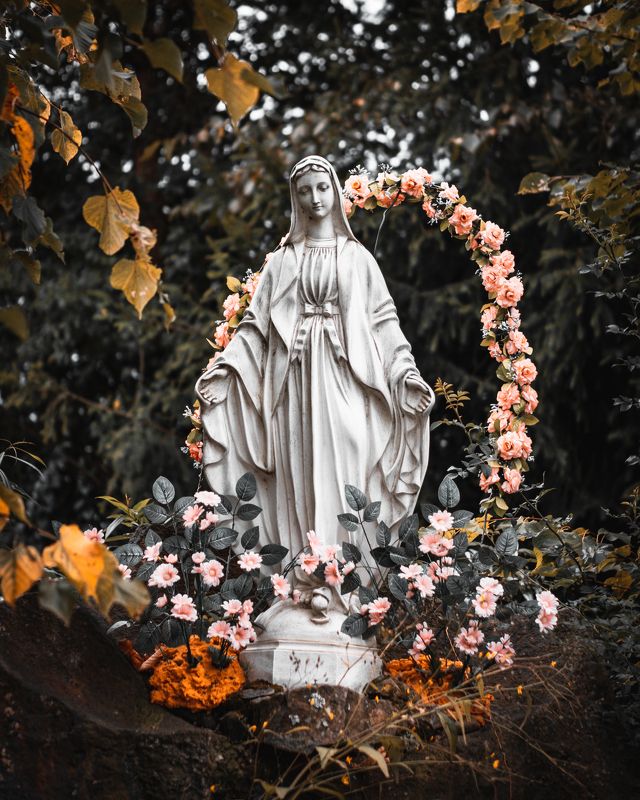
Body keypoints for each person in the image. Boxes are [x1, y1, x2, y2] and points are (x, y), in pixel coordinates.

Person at [195, 155, 434, 607]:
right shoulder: (283, 261)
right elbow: (255, 325)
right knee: (296, 474)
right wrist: (226, 370)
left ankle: (342, 579)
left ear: (336, 192)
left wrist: (404, 375)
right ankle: (301, 583)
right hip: (293, 383)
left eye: (322, 187)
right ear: (295, 198)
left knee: (346, 464)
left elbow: (384, 324)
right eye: (304, 190)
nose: (315, 198)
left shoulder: (358, 258)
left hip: (347, 380)